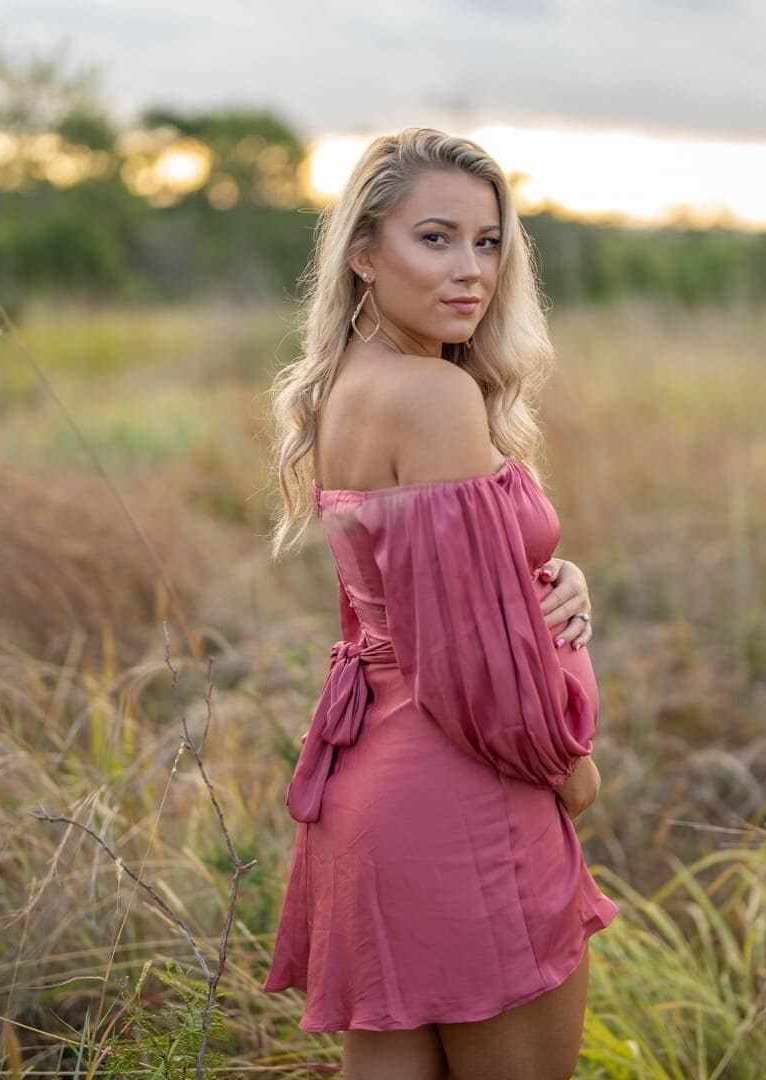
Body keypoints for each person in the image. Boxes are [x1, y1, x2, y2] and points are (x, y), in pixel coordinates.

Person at [261, 127, 617, 1079]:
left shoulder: (349, 386)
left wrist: (547, 574)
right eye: (436, 239)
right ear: (364, 255)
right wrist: (571, 774)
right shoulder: (432, 396)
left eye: (489, 242)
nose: (472, 271)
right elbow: (469, 668)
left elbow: (398, 604)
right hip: (465, 792)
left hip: (374, 790)